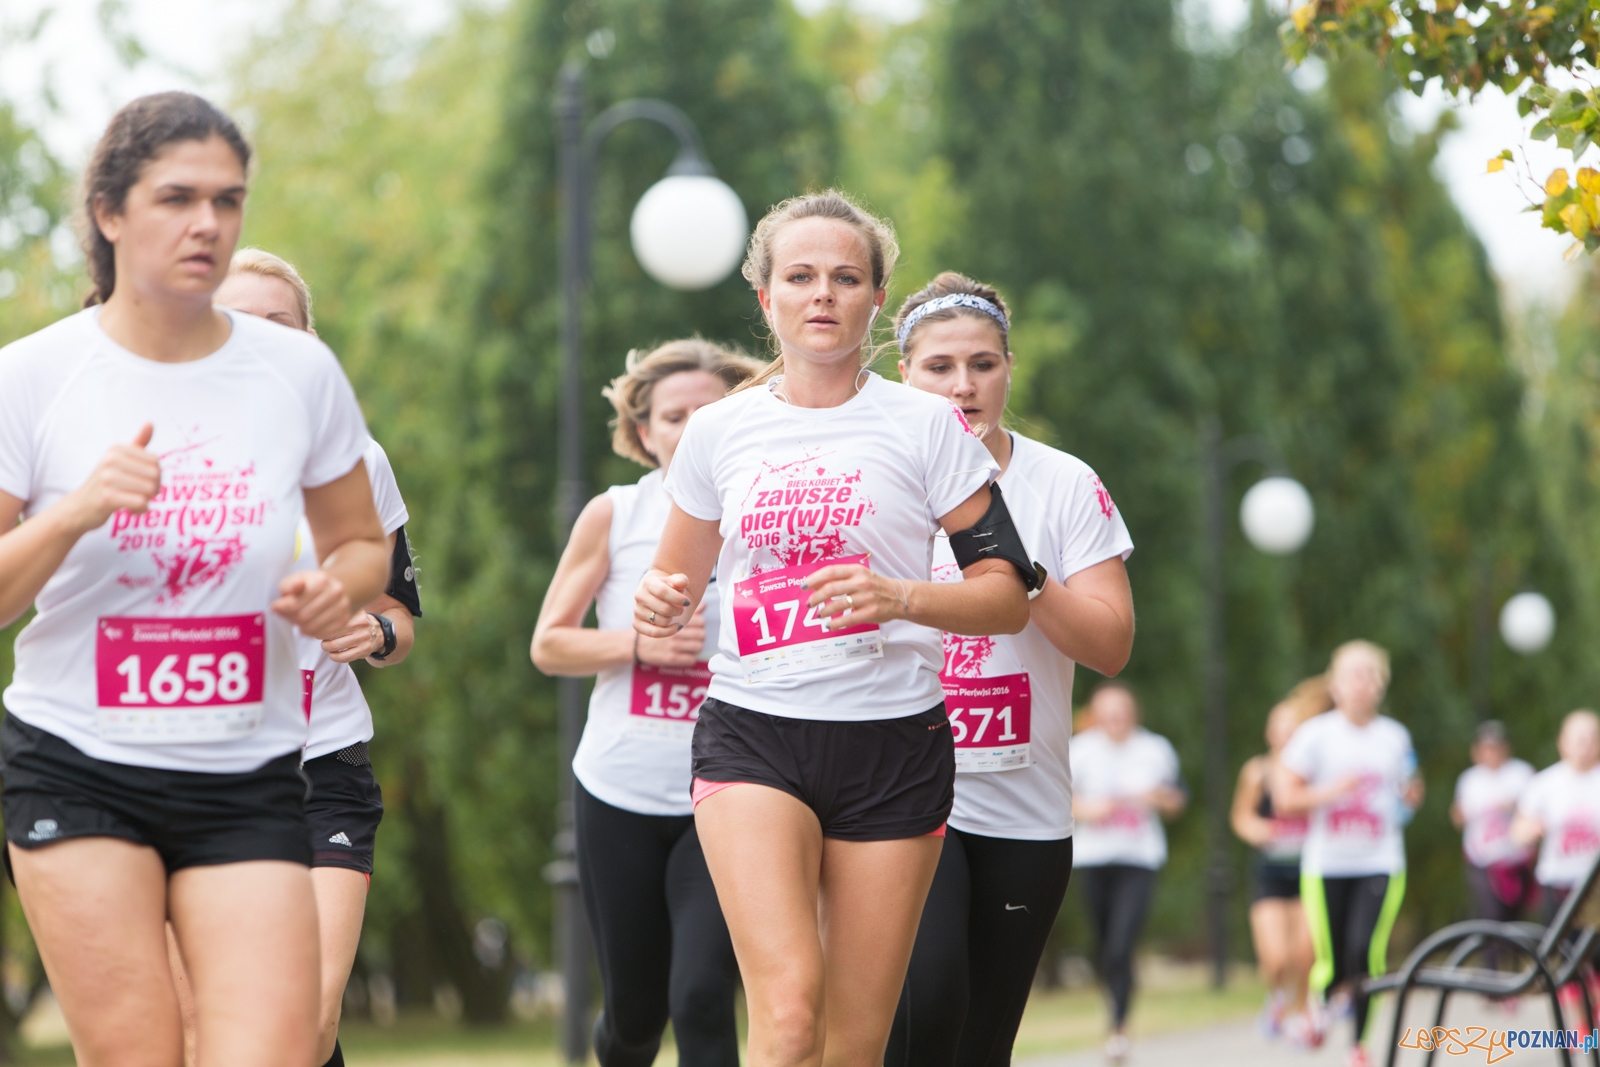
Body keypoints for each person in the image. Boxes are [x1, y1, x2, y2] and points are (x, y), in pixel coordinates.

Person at [0, 92, 389, 1066]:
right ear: (110, 212)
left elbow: (360, 542)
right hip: (77, 758)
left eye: (229, 199)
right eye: (177, 197)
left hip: (248, 770)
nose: (207, 223)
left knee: (273, 1048)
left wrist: (335, 587)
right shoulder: (34, 376)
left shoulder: (298, 372)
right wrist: (78, 509)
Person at [632, 190, 1033, 1067]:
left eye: (845, 277)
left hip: (894, 744)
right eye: (801, 276)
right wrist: (658, 602)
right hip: (754, 736)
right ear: (765, 296)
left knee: (853, 1042)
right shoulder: (718, 431)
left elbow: (1007, 593)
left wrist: (899, 596)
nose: (823, 294)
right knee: (786, 1015)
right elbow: (674, 578)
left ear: (876, 300)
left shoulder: (926, 425)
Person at [884, 271, 1135, 1067]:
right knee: (927, 1002)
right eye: (940, 366)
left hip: (1021, 803)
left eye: (984, 363)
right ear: (905, 375)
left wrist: (1020, 569)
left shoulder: (1063, 481)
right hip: (897, 787)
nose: (964, 384)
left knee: (981, 1042)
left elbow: (1110, 645)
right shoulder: (874, 477)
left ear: (1009, 368)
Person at [206, 248, 421, 1067]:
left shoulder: (357, 461)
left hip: (318, 764)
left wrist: (376, 634)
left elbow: (400, 616)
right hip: (187, 768)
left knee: (306, 1023)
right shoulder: (148, 448)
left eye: (280, 324)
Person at [531, 339, 764, 1067]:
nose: (692, 426)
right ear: (642, 433)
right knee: (635, 1014)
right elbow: (549, 643)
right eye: (673, 415)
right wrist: (637, 644)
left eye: (709, 410)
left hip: (728, 788)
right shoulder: (616, 513)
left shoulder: (771, 510)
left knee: (700, 995)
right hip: (620, 789)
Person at [1275, 640, 1423, 1067]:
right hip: (1327, 864)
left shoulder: (1395, 737)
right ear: (1336, 685)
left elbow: (1409, 791)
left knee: (1365, 950)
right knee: (1335, 958)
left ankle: (1359, 1046)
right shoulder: (1315, 736)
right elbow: (1286, 798)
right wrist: (1332, 791)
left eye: (1371, 674)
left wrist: (1411, 796)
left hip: (1381, 860)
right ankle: (1321, 1007)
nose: (1362, 683)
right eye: (1353, 675)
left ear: (1382, 684)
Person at [1068, 681, 1186, 1063]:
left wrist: (1159, 797)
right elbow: (1059, 801)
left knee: (1122, 942)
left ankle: (1118, 1027)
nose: (1115, 719)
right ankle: (1115, 1005)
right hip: (1093, 857)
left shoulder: (1154, 749)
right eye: (1108, 712)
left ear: (1133, 714)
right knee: (1106, 947)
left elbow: (1177, 799)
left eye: (1122, 712)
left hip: (1139, 858)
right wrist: (1088, 810)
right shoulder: (1080, 750)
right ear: (1096, 715)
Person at [1230, 677, 1330, 1047]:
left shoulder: (1314, 772)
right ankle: (1277, 996)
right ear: (1269, 732)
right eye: (1280, 726)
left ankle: (1301, 1015)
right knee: (1276, 958)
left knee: (1304, 953)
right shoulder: (1257, 772)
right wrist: (1257, 829)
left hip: (1310, 871)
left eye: (1293, 727)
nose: (1285, 733)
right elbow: (1241, 815)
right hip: (1271, 873)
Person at [1513, 709, 1600, 921]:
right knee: (1564, 951)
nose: (1585, 745)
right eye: (1579, 739)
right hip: (1558, 884)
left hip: (1596, 887)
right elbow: (1516, 833)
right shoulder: (1544, 784)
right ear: (1563, 742)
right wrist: (1529, 830)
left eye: (1591, 739)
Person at [1451, 720, 1537, 931]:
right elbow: (1457, 818)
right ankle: (1490, 963)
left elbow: (1536, 817)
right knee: (1490, 917)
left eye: (1495, 746)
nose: (1491, 752)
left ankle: (1512, 962)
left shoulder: (1522, 773)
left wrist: (1513, 806)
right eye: (1486, 747)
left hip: (1516, 861)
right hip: (1482, 861)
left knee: (1514, 920)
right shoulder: (1469, 779)